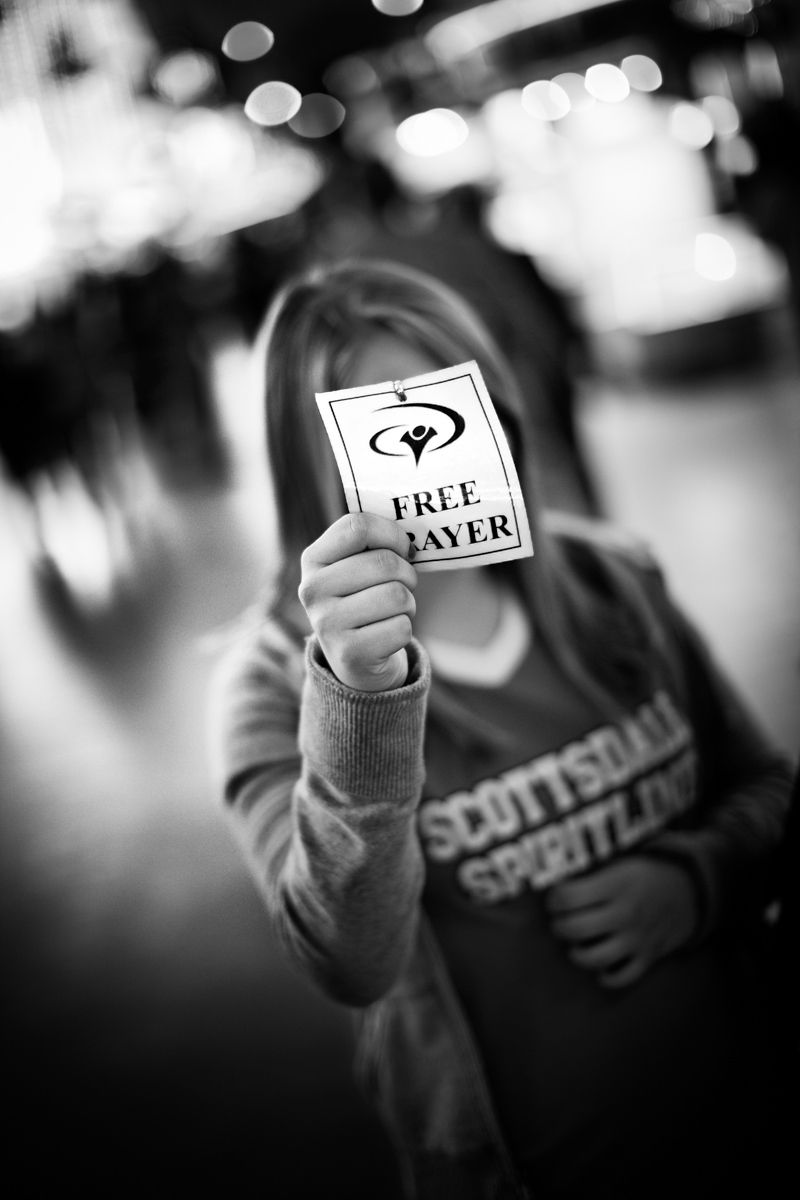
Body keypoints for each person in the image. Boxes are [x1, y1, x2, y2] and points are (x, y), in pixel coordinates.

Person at [208, 258, 795, 1200]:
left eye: (442, 409)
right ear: (304, 456)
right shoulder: (272, 686)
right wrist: (361, 697)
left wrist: (697, 880)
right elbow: (348, 961)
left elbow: (768, 788)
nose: (423, 462)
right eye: (370, 428)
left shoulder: (611, 580)